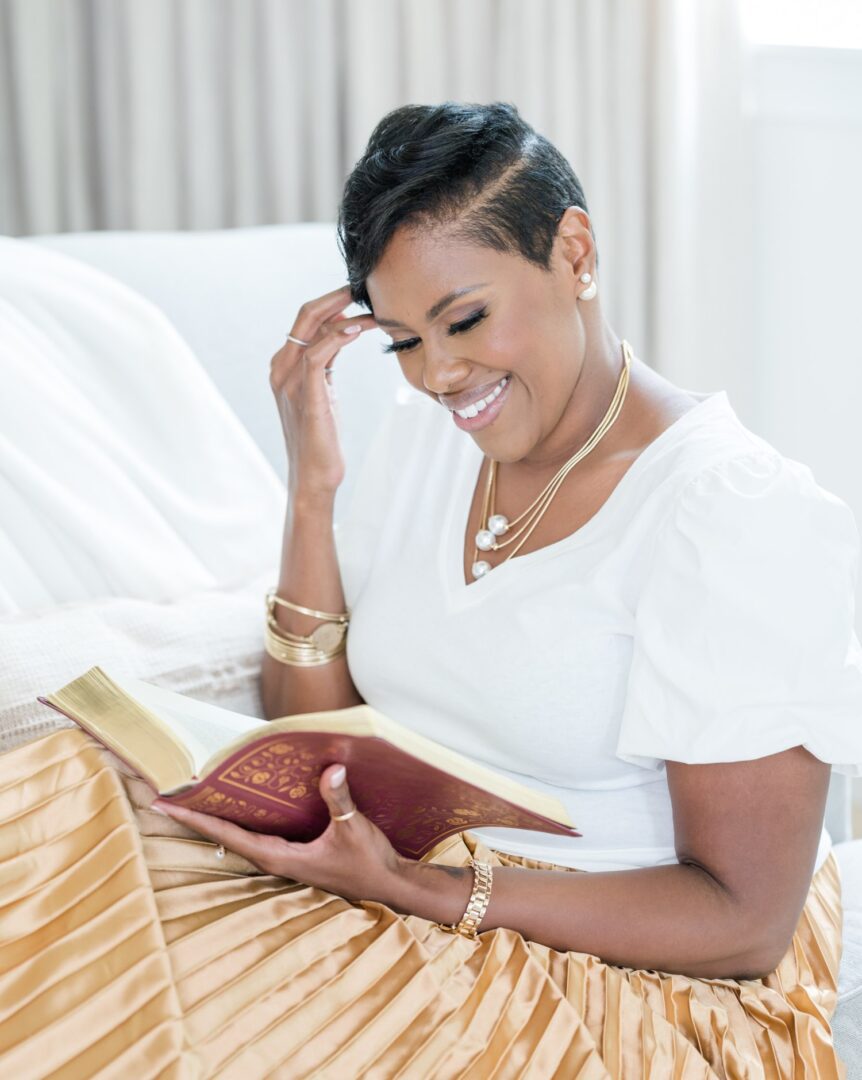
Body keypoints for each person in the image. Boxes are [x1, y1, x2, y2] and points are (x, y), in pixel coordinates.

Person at [6, 101, 861, 1077]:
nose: (438, 376)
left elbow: (745, 923)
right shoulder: (434, 434)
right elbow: (318, 732)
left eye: (463, 321)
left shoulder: (727, 515)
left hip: (635, 972)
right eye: (403, 341)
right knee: (55, 826)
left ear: (574, 252)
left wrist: (430, 893)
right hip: (397, 885)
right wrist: (313, 495)